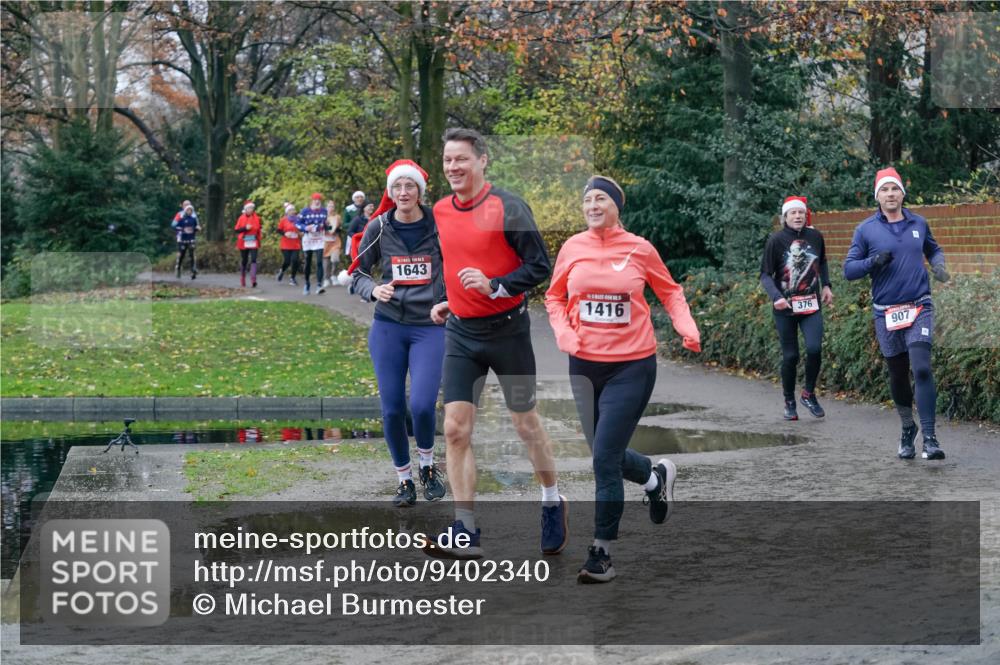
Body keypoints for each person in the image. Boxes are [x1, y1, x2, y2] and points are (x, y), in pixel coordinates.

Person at [545, 175, 701, 583]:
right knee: (606, 453)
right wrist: (563, 332)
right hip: (584, 365)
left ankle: (602, 553)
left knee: (603, 460)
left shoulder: (639, 248)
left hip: (631, 366)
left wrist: (686, 326)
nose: (593, 205)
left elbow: (670, 292)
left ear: (616, 206)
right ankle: (654, 477)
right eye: (587, 200)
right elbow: (554, 297)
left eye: (601, 199)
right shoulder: (572, 247)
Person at [423, 127, 567, 560]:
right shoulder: (441, 210)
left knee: (525, 425)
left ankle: (552, 500)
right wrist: (446, 298)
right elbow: (449, 259)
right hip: (462, 335)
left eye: (461, 159)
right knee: (455, 430)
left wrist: (495, 285)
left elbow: (539, 265)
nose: (453, 167)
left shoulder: (508, 207)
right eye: (448, 160)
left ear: (482, 161)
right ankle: (464, 529)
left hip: (508, 333)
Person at [350, 159, 447, 507]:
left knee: (421, 405)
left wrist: (449, 299)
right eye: (397, 187)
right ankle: (404, 479)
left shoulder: (439, 224)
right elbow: (357, 274)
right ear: (390, 192)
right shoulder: (378, 226)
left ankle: (427, 466)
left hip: (429, 327)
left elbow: (460, 263)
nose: (404, 192)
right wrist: (373, 290)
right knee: (391, 410)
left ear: (420, 191)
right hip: (389, 327)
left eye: (410, 186)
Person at [844, 167, 950, 461]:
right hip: (886, 313)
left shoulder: (919, 223)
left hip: (920, 306)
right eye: (885, 190)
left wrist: (939, 265)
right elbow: (848, 270)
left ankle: (930, 438)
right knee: (898, 374)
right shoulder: (865, 230)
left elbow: (934, 249)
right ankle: (907, 427)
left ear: (903, 194)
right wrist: (872, 262)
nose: (890, 194)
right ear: (877, 196)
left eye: (895, 189)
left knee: (922, 368)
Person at [760, 196, 834, 420]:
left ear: (805, 215)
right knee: (791, 356)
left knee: (814, 349)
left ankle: (808, 393)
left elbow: (822, 261)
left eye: (801, 212)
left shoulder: (815, 236)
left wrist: (827, 285)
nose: (797, 216)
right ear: (785, 217)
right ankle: (789, 400)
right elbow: (765, 274)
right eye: (793, 213)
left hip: (811, 305)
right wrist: (776, 297)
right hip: (786, 308)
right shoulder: (775, 241)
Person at [297, 193, 330, 295]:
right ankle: (307, 284)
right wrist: (305, 227)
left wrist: (327, 226)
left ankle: (319, 285)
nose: (317, 202)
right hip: (308, 239)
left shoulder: (324, 211)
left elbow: (325, 225)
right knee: (308, 262)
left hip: (319, 239)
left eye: (319, 200)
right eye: (315, 200)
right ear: (312, 201)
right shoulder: (305, 211)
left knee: (319, 261)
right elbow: (297, 223)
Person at [234, 200, 261, 288]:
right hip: (244, 241)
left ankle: (253, 279)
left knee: (254, 259)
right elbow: (236, 230)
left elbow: (259, 228)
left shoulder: (257, 218)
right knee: (244, 260)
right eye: (249, 208)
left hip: (253, 241)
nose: (251, 210)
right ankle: (243, 277)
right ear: (245, 209)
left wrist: (259, 236)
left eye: (252, 208)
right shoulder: (241, 218)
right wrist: (245, 228)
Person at [171, 203, 200, 280]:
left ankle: (193, 270)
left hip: (191, 239)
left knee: (192, 254)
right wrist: (180, 229)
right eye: (187, 209)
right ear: (185, 209)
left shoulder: (194, 218)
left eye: (190, 210)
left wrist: (197, 228)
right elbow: (175, 225)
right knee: (182, 254)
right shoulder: (181, 217)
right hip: (182, 239)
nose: (189, 211)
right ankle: (178, 268)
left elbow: (196, 226)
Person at [276, 202, 301, 286]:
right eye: (290, 210)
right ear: (287, 212)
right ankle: (282, 271)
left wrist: (300, 233)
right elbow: (278, 230)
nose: (292, 211)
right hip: (285, 244)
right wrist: (285, 234)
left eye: (293, 210)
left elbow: (301, 228)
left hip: (295, 244)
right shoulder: (283, 220)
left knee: (295, 260)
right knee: (287, 261)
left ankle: (292, 278)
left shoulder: (298, 219)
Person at [322, 200, 343, 288]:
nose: (331, 208)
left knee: (335, 259)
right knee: (326, 261)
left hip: (335, 241)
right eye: (329, 206)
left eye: (332, 206)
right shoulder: (322, 217)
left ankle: (334, 276)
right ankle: (326, 278)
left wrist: (336, 229)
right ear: (326, 207)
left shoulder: (337, 217)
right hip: (325, 242)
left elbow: (340, 228)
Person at [344, 191, 365, 257]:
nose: (359, 199)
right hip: (353, 234)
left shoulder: (367, 208)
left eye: (361, 197)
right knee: (354, 254)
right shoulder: (349, 209)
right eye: (357, 197)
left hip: (364, 235)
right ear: (354, 199)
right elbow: (344, 224)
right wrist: (354, 224)